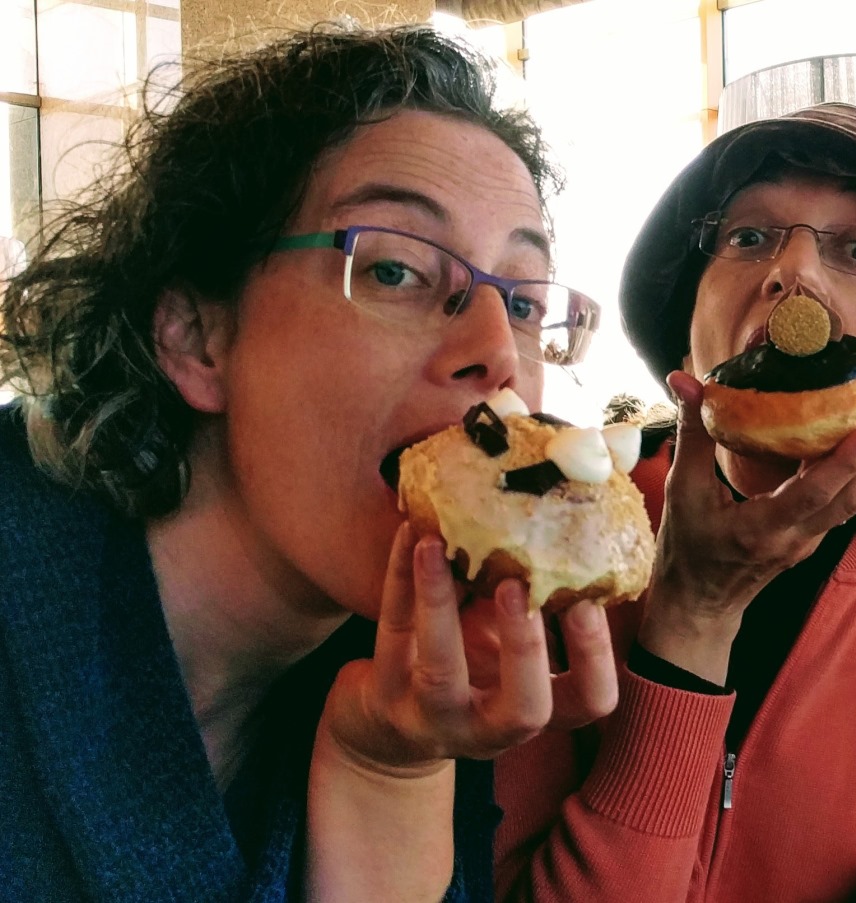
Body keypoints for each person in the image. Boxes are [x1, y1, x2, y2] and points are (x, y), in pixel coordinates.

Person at [0, 26, 617, 901]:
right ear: (197, 335)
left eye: (520, 300)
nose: (499, 355)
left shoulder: (416, 680)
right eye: (397, 269)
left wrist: (390, 770)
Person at [492, 103, 856, 902]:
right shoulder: (541, 537)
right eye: (748, 237)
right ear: (686, 343)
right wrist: (689, 621)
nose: (797, 275)